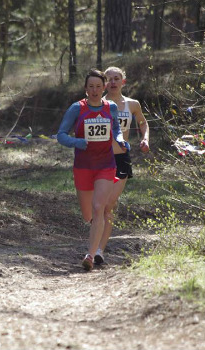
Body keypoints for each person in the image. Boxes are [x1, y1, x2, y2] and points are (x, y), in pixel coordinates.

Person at [57, 68, 126, 271]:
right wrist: (76, 142)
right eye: (91, 87)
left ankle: (91, 254)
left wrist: (120, 140)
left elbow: (116, 129)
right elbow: (61, 135)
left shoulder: (111, 107)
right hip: (83, 168)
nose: (95, 90)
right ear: (86, 89)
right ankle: (93, 238)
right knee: (88, 214)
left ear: (103, 87)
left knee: (99, 209)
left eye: (98, 86)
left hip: (106, 165)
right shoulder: (76, 108)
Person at [96, 66, 150, 264]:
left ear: (123, 82)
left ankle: (99, 250)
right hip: (99, 159)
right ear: (104, 83)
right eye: (108, 79)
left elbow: (143, 123)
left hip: (121, 158)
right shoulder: (96, 103)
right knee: (98, 206)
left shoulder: (132, 104)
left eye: (116, 78)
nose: (112, 82)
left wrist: (145, 139)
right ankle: (94, 245)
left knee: (109, 205)